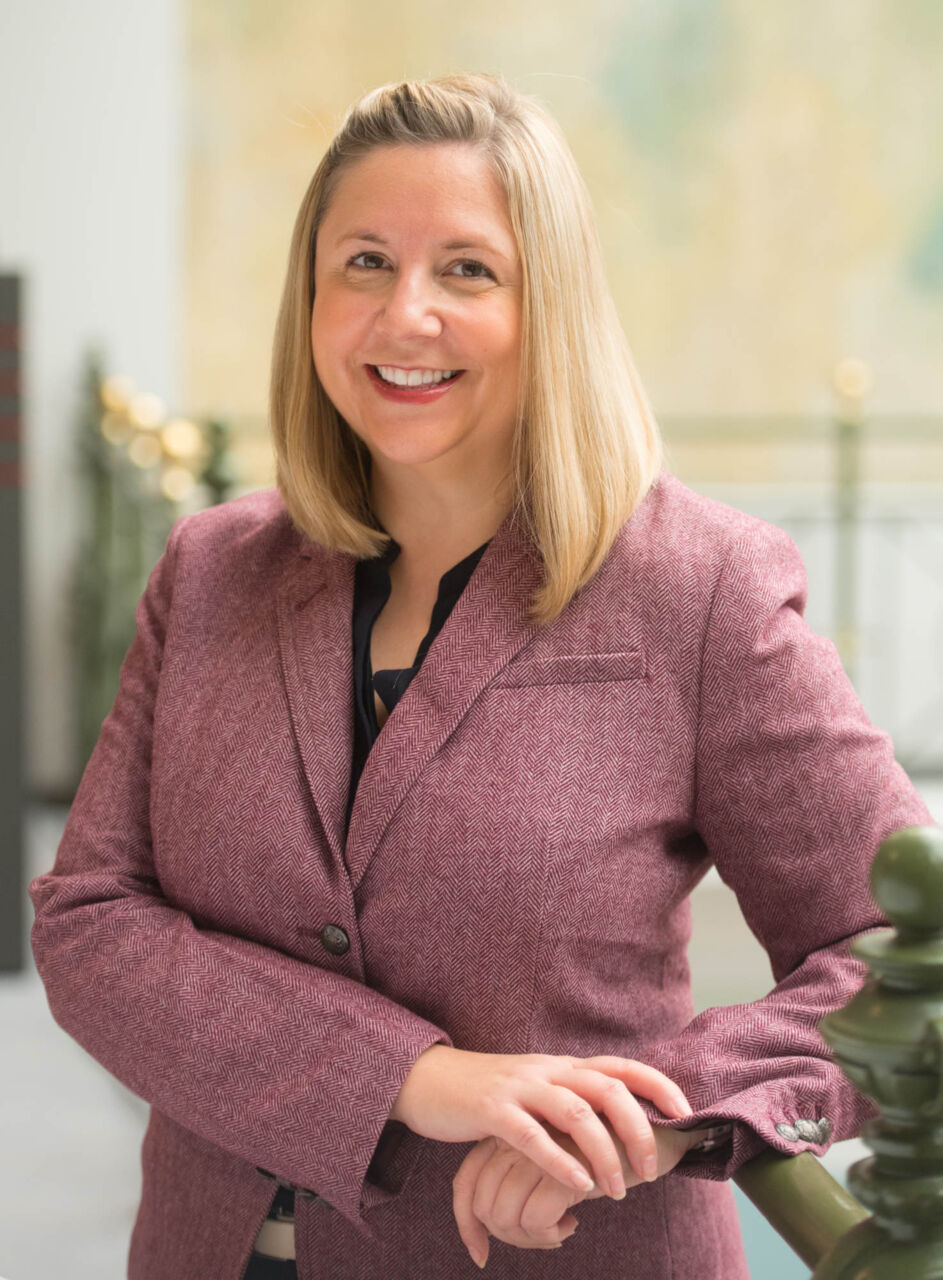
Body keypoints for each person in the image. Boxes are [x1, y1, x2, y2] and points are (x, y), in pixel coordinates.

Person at [29, 72, 933, 1280]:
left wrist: (666, 1106)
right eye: (363, 263)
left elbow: (905, 949)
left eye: (467, 269)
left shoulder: (697, 587)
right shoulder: (211, 569)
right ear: (311, 297)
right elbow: (91, 922)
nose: (406, 315)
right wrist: (412, 1077)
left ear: (547, 303)